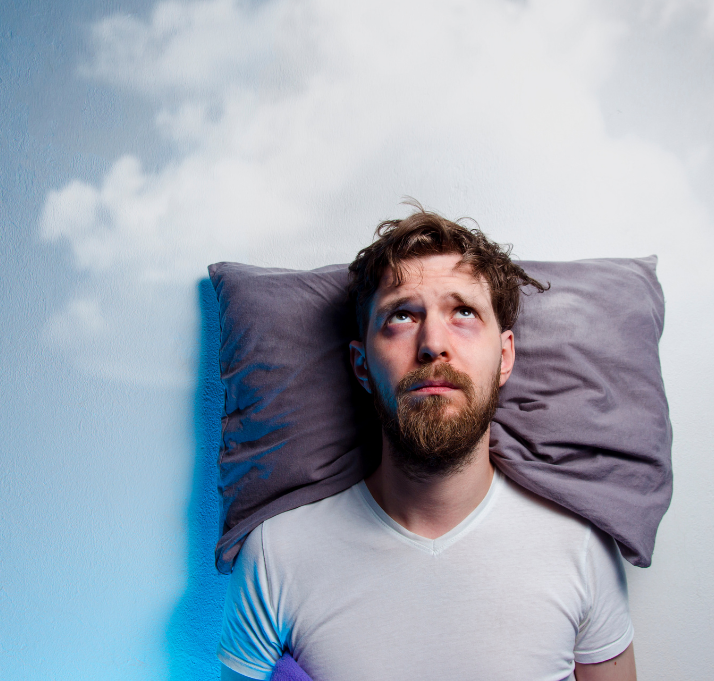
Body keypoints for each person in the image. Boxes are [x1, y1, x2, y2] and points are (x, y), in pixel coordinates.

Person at [219, 208, 637, 681]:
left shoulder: (581, 547)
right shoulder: (277, 554)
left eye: (463, 312)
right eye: (401, 314)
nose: (433, 343)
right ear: (360, 365)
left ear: (504, 357)